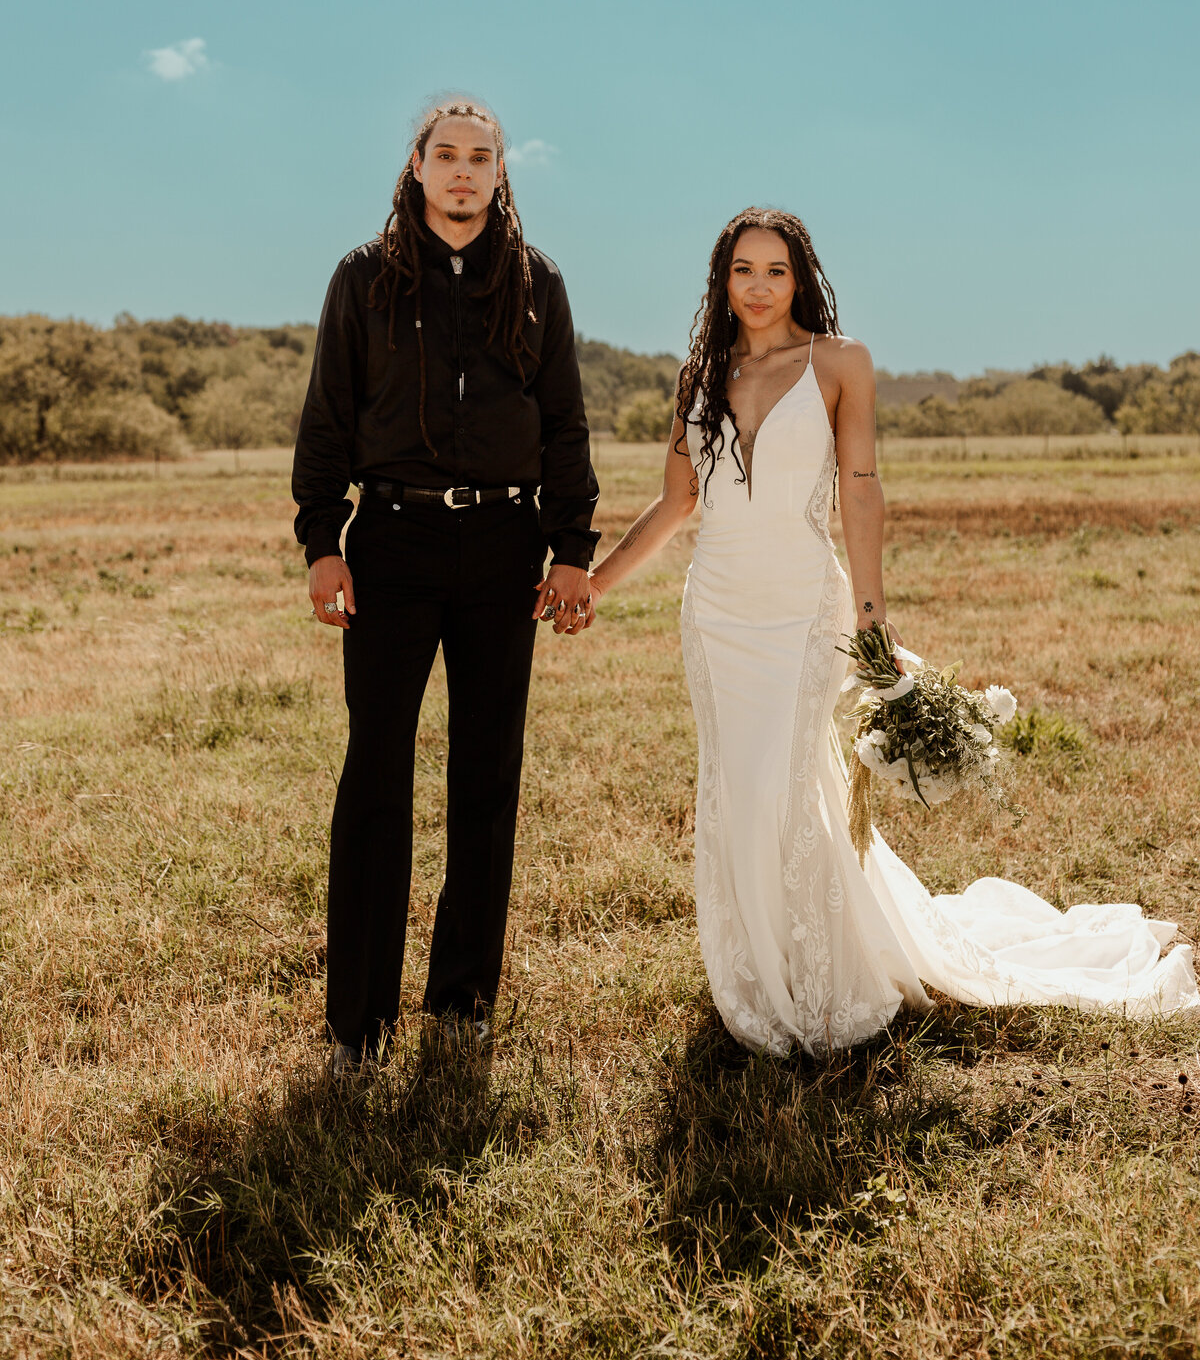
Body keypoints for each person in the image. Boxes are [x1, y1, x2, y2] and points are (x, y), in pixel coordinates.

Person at [589, 208, 1199, 1052]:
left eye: (775, 271)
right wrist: (594, 581)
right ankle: (759, 970)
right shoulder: (701, 376)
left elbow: (861, 487)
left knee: (785, 782)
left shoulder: (842, 363)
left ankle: (826, 972)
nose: (759, 288)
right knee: (734, 787)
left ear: (800, 278)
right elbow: (675, 504)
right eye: (743, 271)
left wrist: (871, 612)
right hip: (717, 613)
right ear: (720, 282)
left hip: (803, 607)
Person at [293, 96, 598, 1074]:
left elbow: (564, 424)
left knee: (487, 776)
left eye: (482, 158)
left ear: (501, 174)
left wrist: (571, 548)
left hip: (505, 544)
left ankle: (462, 997)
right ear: (416, 166)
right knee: (375, 772)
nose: (464, 172)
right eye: (447, 156)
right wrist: (321, 541)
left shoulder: (537, 284)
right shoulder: (365, 279)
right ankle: (358, 1023)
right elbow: (327, 417)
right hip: (389, 538)